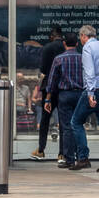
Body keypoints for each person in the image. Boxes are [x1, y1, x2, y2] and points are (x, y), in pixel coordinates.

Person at [71, 24, 99, 172]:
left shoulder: (87, 48)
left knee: (76, 122)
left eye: (81, 37)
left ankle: (83, 157)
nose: (81, 40)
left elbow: (90, 73)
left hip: (95, 90)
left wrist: (90, 93)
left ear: (84, 36)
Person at [43, 31, 85, 168]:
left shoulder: (59, 59)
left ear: (64, 43)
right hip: (80, 95)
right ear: (77, 44)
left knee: (67, 127)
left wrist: (48, 99)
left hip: (65, 95)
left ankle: (69, 159)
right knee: (78, 126)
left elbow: (52, 81)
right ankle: (81, 157)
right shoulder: (82, 58)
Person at [31, 26, 65, 161]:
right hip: (63, 87)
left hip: (49, 88)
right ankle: (62, 153)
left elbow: (44, 69)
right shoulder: (66, 47)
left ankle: (41, 149)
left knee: (45, 119)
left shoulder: (47, 48)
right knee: (63, 121)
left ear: (51, 36)